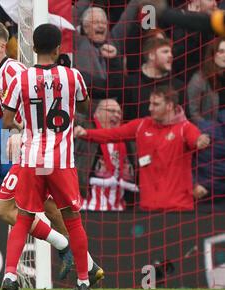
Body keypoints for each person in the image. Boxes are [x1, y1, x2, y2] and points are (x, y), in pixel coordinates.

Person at [0, 20, 105, 284]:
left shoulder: (15, 71)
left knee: (6, 209)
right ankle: (84, 262)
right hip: (44, 153)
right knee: (51, 209)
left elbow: (18, 112)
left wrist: (18, 131)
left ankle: (66, 253)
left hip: (33, 151)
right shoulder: (4, 74)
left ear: (1, 46)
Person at [1, 23, 92, 290]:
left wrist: (24, 127)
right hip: (62, 161)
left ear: (32, 47)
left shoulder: (20, 79)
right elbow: (86, 104)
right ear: (58, 48)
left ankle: (10, 276)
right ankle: (84, 280)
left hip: (32, 160)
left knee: (24, 218)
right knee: (72, 218)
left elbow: (7, 120)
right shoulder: (72, 76)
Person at [76, 85, 211, 212]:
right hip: (148, 208)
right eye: (150, 103)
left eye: (156, 104)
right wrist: (86, 133)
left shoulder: (185, 128)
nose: (150, 108)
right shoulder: (142, 125)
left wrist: (200, 140)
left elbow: (196, 139)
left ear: (169, 106)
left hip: (179, 208)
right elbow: (112, 134)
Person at [75, 99, 138, 211]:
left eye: (119, 112)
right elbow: (73, 118)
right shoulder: (85, 128)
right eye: (111, 111)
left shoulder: (128, 140)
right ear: (97, 113)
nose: (116, 115)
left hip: (119, 208)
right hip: (87, 206)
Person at [188, 37, 225, 123]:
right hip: (210, 127)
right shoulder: (199, 79)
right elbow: (193, 113)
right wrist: (206, 127)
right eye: (221, 51)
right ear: (212, 54)